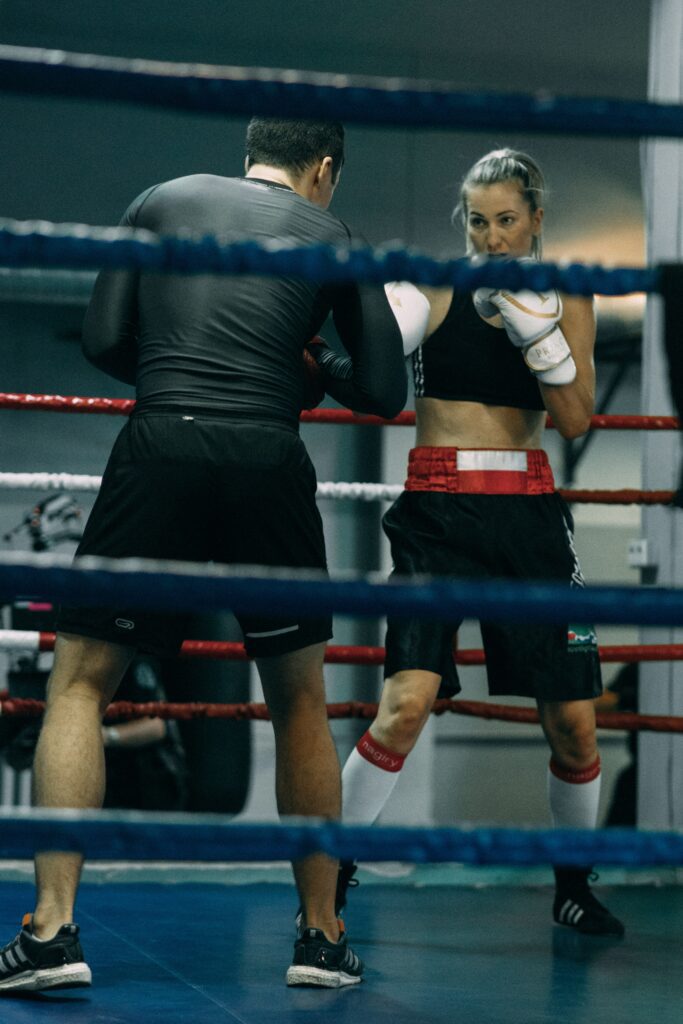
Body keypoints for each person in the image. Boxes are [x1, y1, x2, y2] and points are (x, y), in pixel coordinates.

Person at [0, 118, 407, 993]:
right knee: (300, 702)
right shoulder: (330, 233)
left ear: (249, 151)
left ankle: (51, 934)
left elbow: (107, 342)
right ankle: (321, 939)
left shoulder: (160, 203)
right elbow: (380, 391)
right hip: (267, 454)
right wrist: (310, 366)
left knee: (78, 684)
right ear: (323, 168)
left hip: (161, 446)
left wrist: (185, 365)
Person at [339, 149, 625, 937]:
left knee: (573, 723)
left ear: (535, 220)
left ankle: (573, 885)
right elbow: (368, 377)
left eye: (506, 220)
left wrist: (541, 340)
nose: (491, 236)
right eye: (477, 220)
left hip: (527, 516)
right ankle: (332, 869)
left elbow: (573, 421)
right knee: (405, 702)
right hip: (436, 511)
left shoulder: (566, 293)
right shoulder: (435, 283)